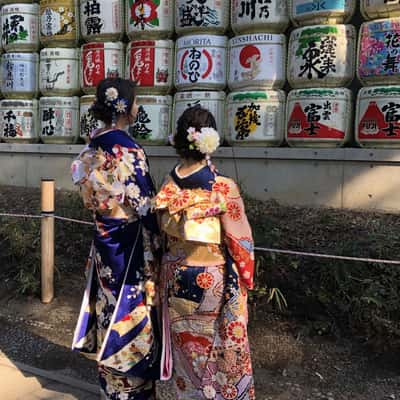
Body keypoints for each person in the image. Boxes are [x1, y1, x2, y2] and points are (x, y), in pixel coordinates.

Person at [154, 106, 256, 399]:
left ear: (178, 139)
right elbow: (241, 242)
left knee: (187, 349)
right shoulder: (223, 187)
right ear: (211, 140)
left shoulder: (168, 185)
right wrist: (247, 277)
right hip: (211, 278)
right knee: (218, 348)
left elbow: (159, 232)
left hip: (174, 275)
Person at [70, 78, 160, 400]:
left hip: (104, 237)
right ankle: (130, 388)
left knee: (107, 305)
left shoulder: (93, 143)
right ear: (123, 106)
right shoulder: (126, 147)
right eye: (135, 102)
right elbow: (144, 200)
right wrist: (159, 234)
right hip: (129, 242)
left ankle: (110, 386)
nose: (138, 108)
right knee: (131, 309)